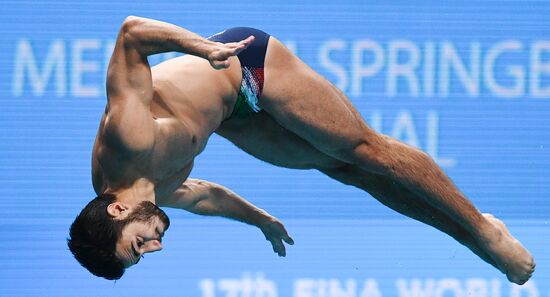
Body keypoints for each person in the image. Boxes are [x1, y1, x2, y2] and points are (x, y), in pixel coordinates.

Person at [67, 16, 535, 284]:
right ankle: (476, 241)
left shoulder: (125, 143)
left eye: (139, 245)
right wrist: (262, 221)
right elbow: (204, 195)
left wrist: (202, 48)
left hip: (245, 65)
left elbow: (131, 34)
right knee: (347, 172)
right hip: (234, 119)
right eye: (144, 253)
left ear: (116, 211)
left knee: (365, 150)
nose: (156, 245)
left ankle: (484, 231)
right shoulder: (148, 194)